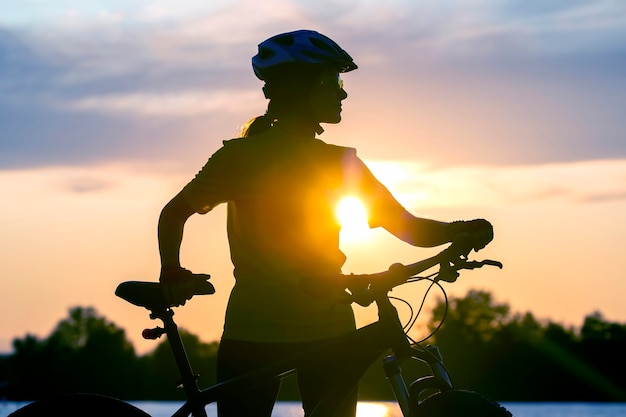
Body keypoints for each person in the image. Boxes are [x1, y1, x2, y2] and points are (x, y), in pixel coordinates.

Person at [157, 29, 494, 417]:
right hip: (285, 329)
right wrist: (171, 272)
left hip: (277, 328)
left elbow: (406, 226)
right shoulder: (250, 158)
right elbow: (408, 228)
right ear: (302, 87)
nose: (343, 93)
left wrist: (457, 230)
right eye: (334, 80)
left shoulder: (322, 160)